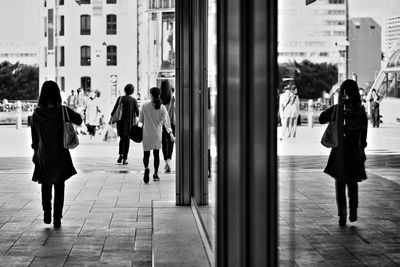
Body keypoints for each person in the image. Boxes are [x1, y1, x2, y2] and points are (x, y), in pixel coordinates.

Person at [30, 81, 83, 228]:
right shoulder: (62, 110)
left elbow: (34, 137)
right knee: (59, 186)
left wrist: (35, 151)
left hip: (43, 154)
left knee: (45, 184)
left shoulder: (36, 113)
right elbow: (79, 120)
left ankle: (47, 212)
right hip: (60, 153)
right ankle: (57, 217)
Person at [319, 79, 368, 226]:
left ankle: (342, 214)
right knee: (353, 182)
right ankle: (353, 210)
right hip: (355, 151)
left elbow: (321, 119)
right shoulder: (361, 111)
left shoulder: (338, 109)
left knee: (340, 183)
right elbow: (364, 136)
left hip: (339, 151)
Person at [139, 87, 175, 183]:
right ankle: (155, 174)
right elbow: (166, 123)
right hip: (157, 134)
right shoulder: (162, 107)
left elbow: (141, 120)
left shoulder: (144, 106)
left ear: (150, 94)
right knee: (156, 154)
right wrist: (171, 134)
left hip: (146, 133)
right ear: (159, 95)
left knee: (146, 154)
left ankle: (146, 168)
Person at [111, 84, 139, 165]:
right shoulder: (134, 100)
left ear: (125, 90)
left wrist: (112, 119)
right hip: (130, 123)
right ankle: (125, 159)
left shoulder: (120, 98)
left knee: (122, 139)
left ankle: (120, 155)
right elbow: (137, 113)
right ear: (132, 91)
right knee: (127, 140)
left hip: (120, 123)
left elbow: (114, 110)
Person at [160, 80, 176, 173]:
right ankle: (169, 161)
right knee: (171, 142)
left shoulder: (160, 100)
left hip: (162, 124)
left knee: (164, 143)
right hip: (172, 124)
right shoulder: (173, 99)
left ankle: (166, 161)